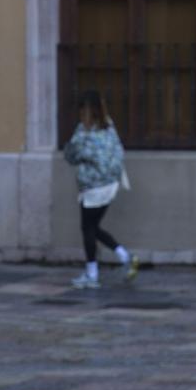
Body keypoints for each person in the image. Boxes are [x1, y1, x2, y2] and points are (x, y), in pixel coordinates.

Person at [62, 89, 137, 289]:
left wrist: (69, 148)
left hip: (93, 187)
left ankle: (92, 273)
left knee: (87, 228)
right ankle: (124, 256)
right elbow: (116, 151)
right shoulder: (109, 127)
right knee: (93, 227)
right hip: (112, 184)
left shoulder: (84, 132)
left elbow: (72, 156)